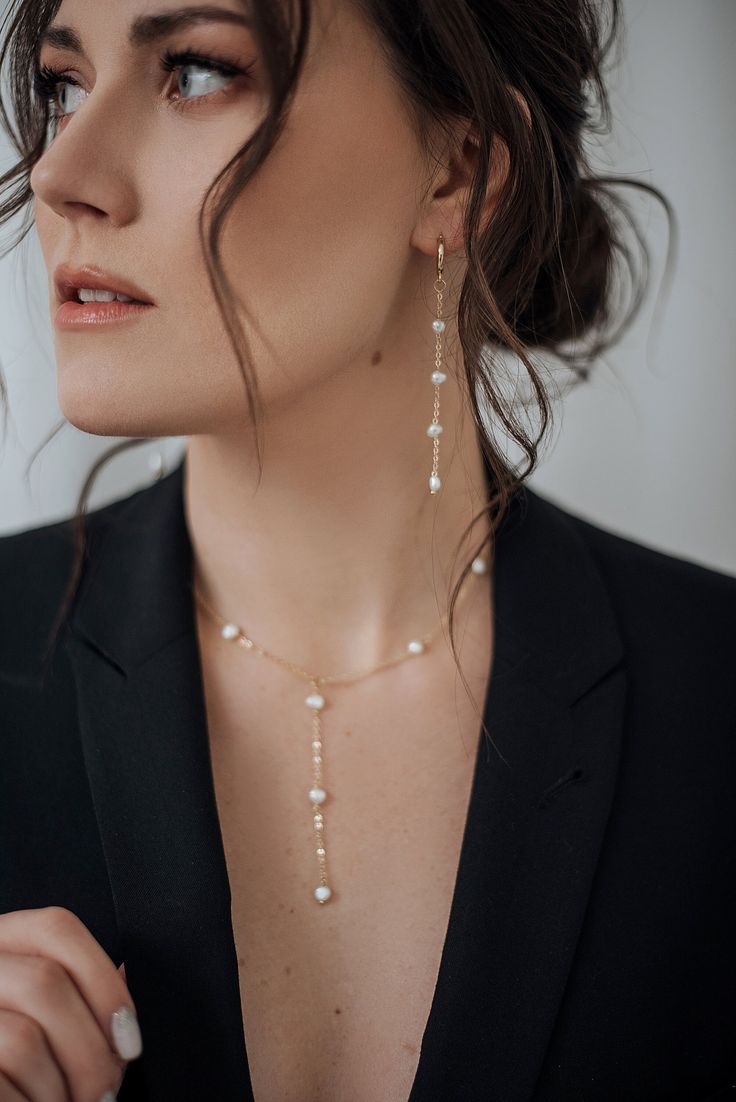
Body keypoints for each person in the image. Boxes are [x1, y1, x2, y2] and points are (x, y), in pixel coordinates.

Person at [0, 0, 734, 1100]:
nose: (62, 172)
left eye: (196, 73)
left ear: (459, 175)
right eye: (61, 85)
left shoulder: (716, 700)